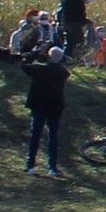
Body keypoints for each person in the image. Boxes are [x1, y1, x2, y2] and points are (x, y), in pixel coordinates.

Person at [23, 47, 70, 177]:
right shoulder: (63, 73)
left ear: (48, 57)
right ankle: (52, 167)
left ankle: (30, 165)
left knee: (35, 135)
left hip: (38, 106)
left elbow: (24, 65)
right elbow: (64, 66)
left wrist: (36, 53)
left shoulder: (38, 70)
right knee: (53, 137)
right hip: (55, 107)